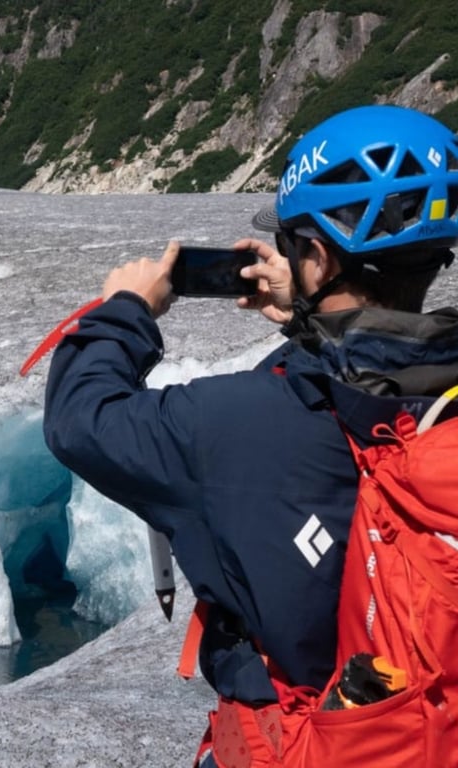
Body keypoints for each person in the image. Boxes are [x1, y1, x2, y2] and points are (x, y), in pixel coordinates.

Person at [42, 105, 458, 765]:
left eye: (296, 241)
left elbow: (79, 419)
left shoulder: (234, 424)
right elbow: (374, 378)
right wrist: (308, 316)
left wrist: (125, 312)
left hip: (301, 744)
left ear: (317, 256)